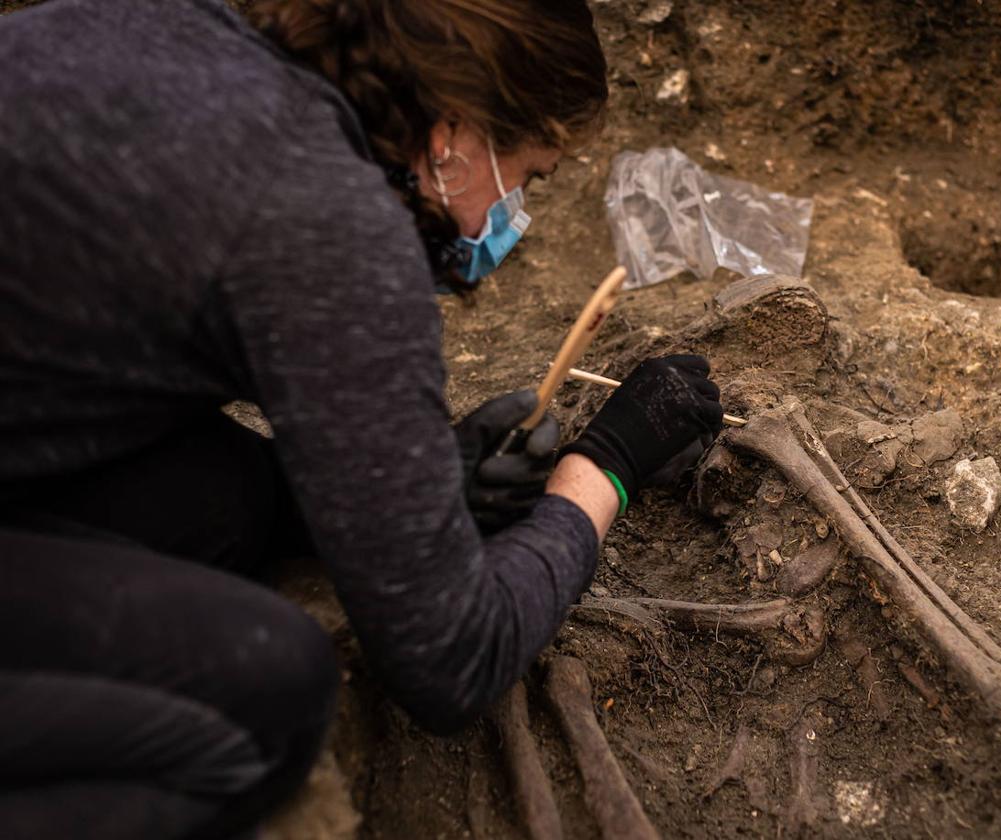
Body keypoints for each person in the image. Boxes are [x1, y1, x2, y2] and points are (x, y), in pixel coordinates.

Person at [0, 0, 726, 837]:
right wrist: (603, 470)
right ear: (453, 131)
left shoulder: (172, 36)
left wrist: (425, 479)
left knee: (231, 493)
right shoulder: (321, 219)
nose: (512, 218)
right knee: (264, 691)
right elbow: (453, 658)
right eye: (527, 178)